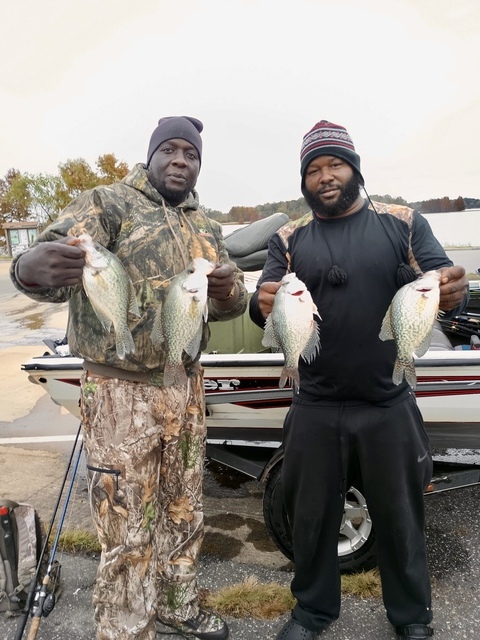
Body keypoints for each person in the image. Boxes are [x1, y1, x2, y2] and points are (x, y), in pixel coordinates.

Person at [11, 116, 247, 640]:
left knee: (184, 511)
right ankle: (124, 629)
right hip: (119, 391)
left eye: (192, 153)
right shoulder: (107, 202)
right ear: (152, 155)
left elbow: (232, 304)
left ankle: (176, 607)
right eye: (170, 149)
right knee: (126, 526)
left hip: (184, 388)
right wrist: (30, 267)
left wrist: (232, 293)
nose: (181, 160)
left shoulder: (203, 226)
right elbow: (50, 265)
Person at [249, 120, 469, 640]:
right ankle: (311, 612)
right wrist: (263, 306)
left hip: (387, 401)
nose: (324, 177)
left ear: (354, 168)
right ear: (304, 180)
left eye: (334, 165)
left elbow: (441, 276)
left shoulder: (403, 222)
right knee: (310, 520)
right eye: (313, 170)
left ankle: (412, 618)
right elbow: (266, 304)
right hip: (314, 405)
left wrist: (451, 288)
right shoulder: (288, 237)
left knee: (401, 519)